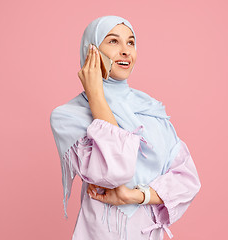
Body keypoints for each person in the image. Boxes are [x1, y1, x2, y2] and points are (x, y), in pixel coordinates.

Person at [50, 15, 201, 240]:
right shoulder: (68, 116)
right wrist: (96, 97)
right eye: (113, 41)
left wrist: (136, 196)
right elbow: (115, 170)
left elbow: (187, 179)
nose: (125, 51)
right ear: (90, 50)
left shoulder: (151, 109)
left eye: (130, 42)